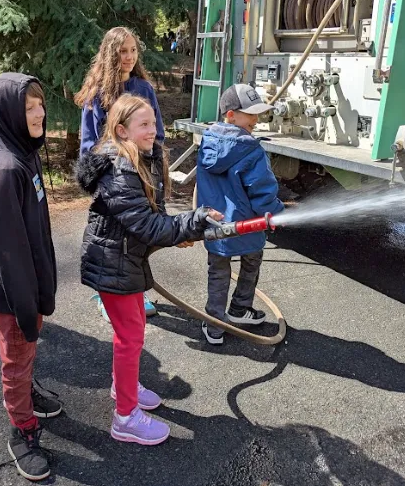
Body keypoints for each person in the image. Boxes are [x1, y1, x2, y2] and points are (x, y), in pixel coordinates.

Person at [76, 93, 223, 446]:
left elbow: (150, 222)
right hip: (113, 263)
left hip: (124, 259)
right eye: (144, 124)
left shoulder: (141, 159)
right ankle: (125, 418)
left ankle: (122, 385)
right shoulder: (119, 169)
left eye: (154, 123)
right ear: (122, 130)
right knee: (131, 338)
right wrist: (193, 222)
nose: (152, 130)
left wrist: (183, 230)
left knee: (133, 331)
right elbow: (146, 225)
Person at [0, 73, 61, 482]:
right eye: (28, 108)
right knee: (16, 357)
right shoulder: (6, 171)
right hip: (14, 293)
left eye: (40, 104)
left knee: (27, 353)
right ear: (8, 113)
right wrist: (27, 306)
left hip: (30, 281)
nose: (39, 113)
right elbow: (6, 252)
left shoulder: (25, 154)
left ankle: (28, 395)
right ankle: (21, 429)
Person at [74, 26, 164, 318]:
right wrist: (102, 178)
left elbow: (157, 131)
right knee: (112, 237)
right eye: (122, 51)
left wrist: (155, 167)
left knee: (139, 235)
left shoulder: (144, 88)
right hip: (113, 175)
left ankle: (135, 289)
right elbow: (89, 143)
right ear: (110, 54)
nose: (128, 57)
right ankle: (106, 292)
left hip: (143, 173)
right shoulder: (97, 93)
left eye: (133, 50)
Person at [196, 84, 284, 345]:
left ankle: (215, 324)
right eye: (250, 114)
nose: (256, 119)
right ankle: (239, 307)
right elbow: (262, 190)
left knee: (218, 271)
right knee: (251, 261)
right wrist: (274, 214)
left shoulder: (208, 141)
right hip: (248, 224)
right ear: (231, 114)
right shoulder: (251, 149)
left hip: (215, 224)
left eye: (258, 113)